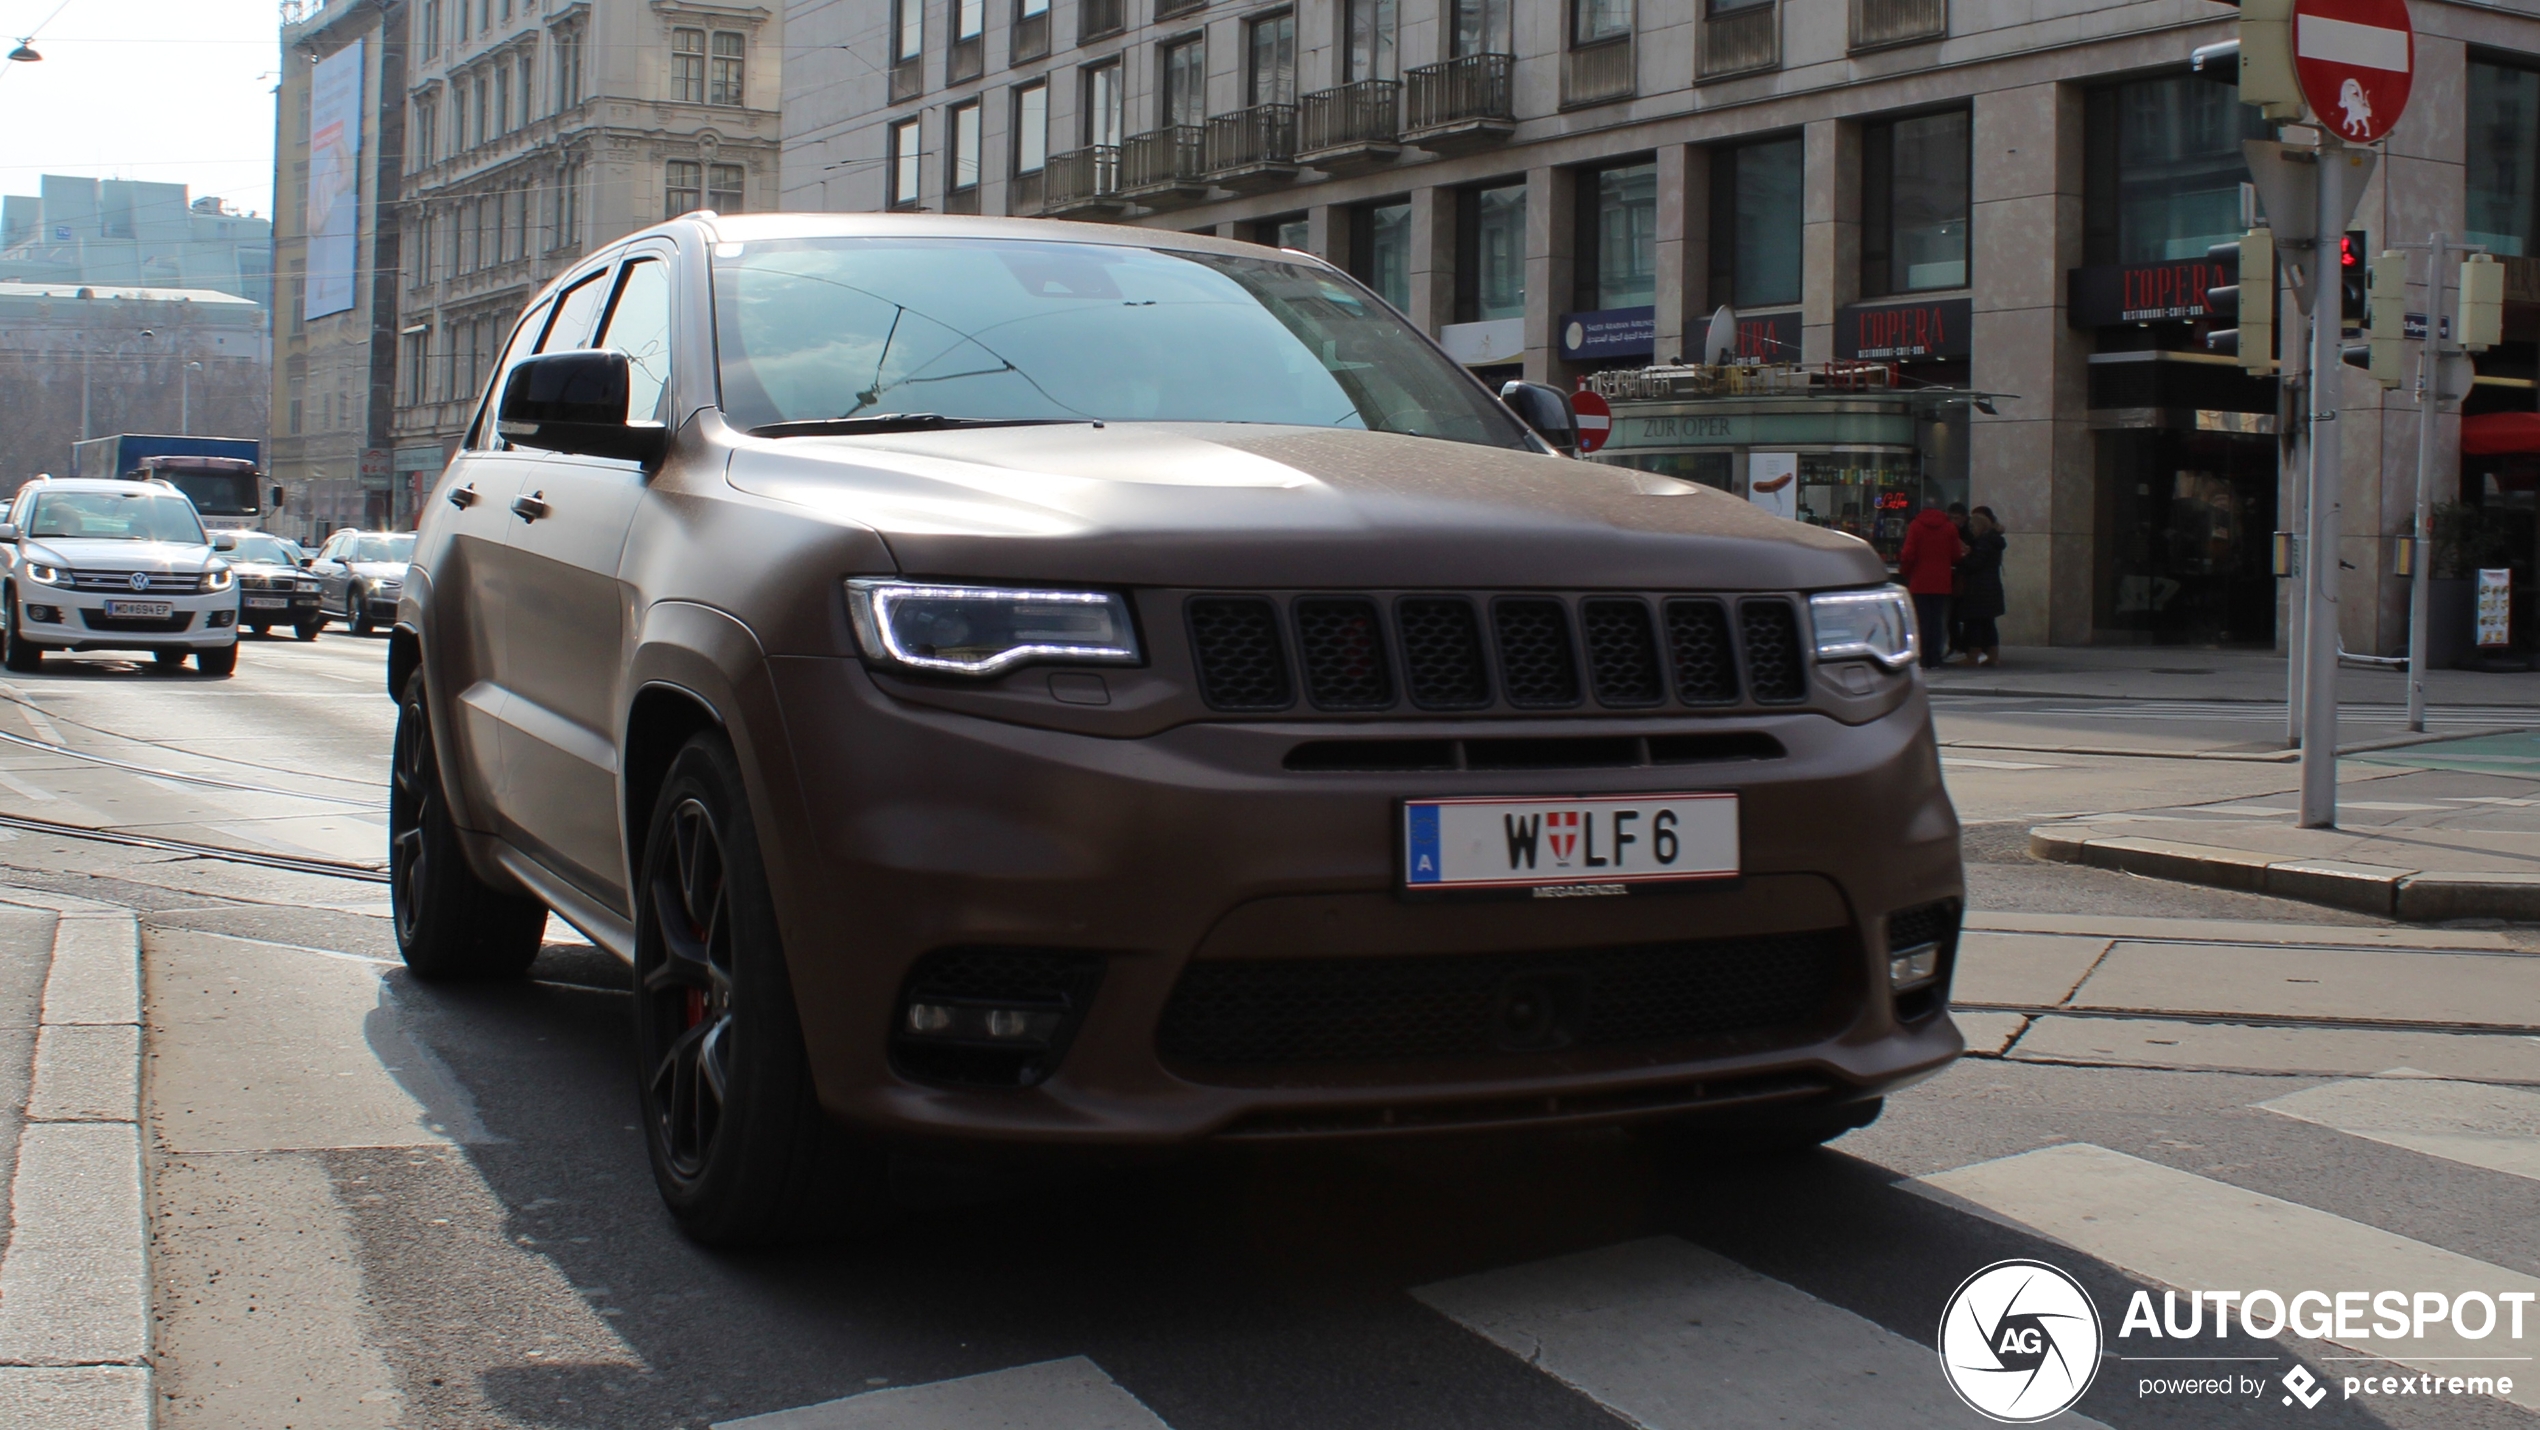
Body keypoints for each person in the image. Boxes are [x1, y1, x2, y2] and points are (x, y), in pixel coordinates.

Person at [1896, 498, 1964, 669]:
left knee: (1921, 620)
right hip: (1942, 581)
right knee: (1938, 621)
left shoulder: (1916, 526)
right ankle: (1935, 657)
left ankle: (1923, 656)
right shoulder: (1949, 527)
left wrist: (1906, 572)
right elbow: (1956, 554)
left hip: (1919, 580)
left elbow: (1908, 554)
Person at [1956, 506, 2007, 667]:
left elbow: (1975, 565)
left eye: (1972, 527)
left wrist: (1964, 558)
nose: (1971, 530)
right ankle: (1993, 655)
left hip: (1979, 589)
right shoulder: (1994, 540)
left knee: (1975, 623)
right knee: (1988, 623)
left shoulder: (1983, 542)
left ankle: (1973, 656)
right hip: (1991, 588)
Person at [1945, 502, 1972, 658]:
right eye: (1952, 518)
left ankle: (1962, 644)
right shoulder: (1949, 531)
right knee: (1953, 615)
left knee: (1961, 614)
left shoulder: (1967, 533)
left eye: (1957, 518)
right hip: (1954, 576)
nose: (1954, 521)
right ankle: (1956, 643)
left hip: (1963, 577)